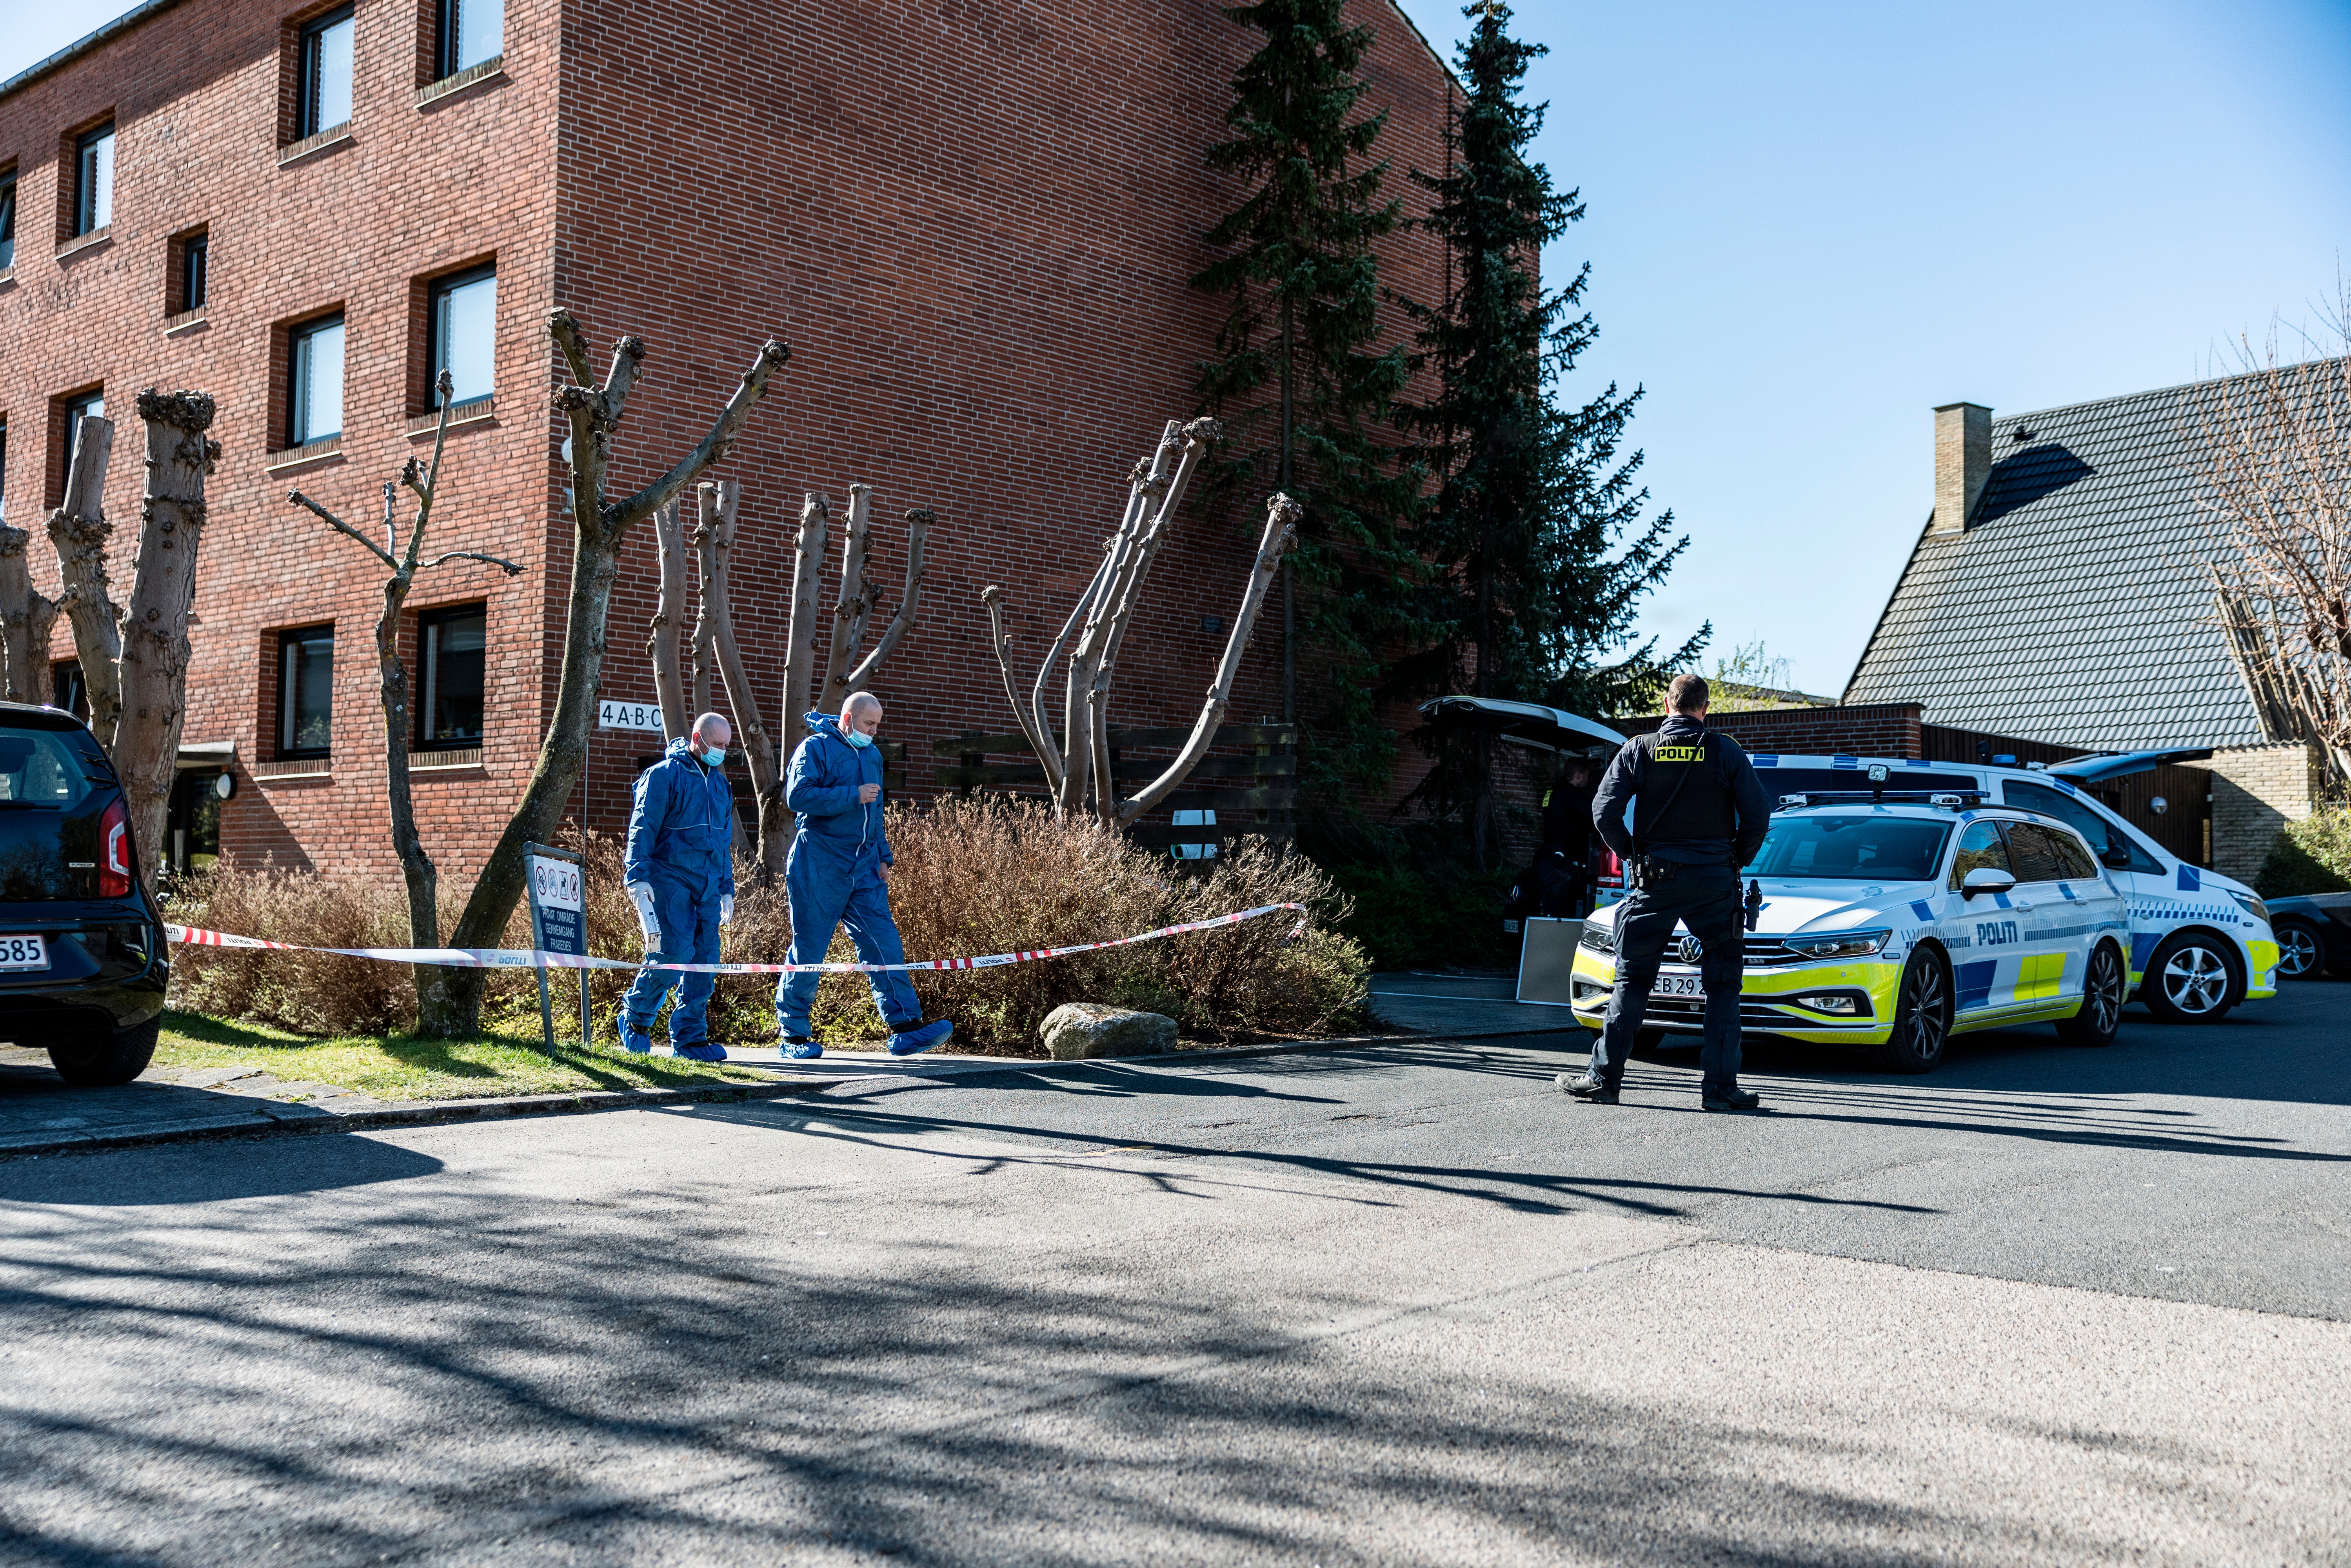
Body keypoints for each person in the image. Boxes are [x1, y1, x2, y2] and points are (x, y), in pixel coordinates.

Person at [1563, 674, 1771, 1111]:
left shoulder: (1638, 749)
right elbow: (1757, 815)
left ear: (1666, 704)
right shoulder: (1724, 751)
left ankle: (1604, 1081)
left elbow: (1603, 811)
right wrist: (1734, 858)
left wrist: (1632, 854)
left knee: (1632, 981)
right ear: (1705, 708)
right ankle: (1719, 1091)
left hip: (1652, 883)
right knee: (1721, 987)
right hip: (1713, 884)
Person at [772, 692, 954, 1060]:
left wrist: (884, 856)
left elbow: (877, 811)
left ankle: (905, 1029)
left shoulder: (871, 754)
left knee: (884, 944)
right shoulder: (815, 748)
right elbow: (797, 796)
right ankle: (793, 1036)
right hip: (818, 864)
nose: (874, 731)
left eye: (877, 724)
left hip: (866, 867)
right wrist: (851, 794)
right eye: (869, 724)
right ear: (848, 718)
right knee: (809, 951)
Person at [619, 712, 738, 1063]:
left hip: (708, 885)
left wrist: (726, 888)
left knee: (705, 961)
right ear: (698, 739)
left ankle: (690, 1038)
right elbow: (642, 829)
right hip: (669, 878)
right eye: (717, 745)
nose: (722, 752)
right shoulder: (663, 776)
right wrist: (638, 878)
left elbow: (724, 842)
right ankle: (635, 1019)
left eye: (727, 746)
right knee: (671, 954)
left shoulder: (720, 785)